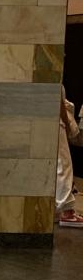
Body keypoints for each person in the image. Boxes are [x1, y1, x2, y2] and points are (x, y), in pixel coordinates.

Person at [56, 86, 83, 226]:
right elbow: (59, 104)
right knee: (64, 165)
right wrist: (66, 124)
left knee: (59, 165)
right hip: (57, 123)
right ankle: (66, 211)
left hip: (46, 123)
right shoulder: (54, 82)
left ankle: (60, 209)